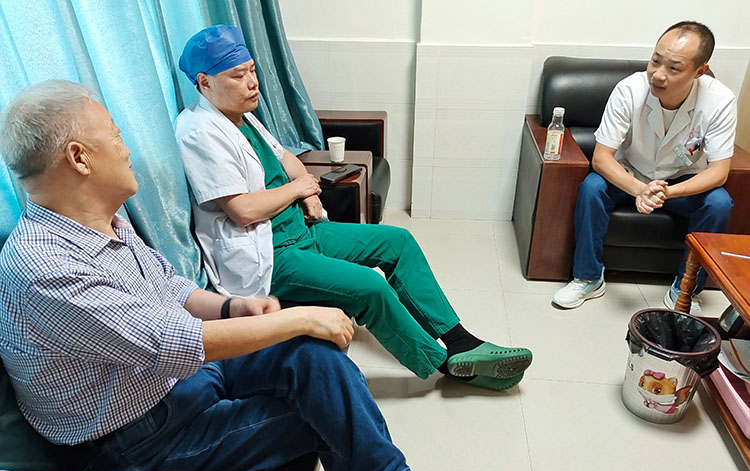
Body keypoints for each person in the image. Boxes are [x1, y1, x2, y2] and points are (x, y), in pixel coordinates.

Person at [0, 80, 487, 471]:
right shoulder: (46, 266)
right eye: (115, 134)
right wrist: (297, 317)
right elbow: (171, 342)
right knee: (330, 406)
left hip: (177, 385)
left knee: (318, 361)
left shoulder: (101, 220)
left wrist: (235, 307)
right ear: (80, 158)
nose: (126, 146)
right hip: (135, 442)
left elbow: (171, 288)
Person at [174, 25, 532, 391]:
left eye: (252, 70)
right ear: (204, 82)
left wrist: (309, 194)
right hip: (270, 255)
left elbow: (287, 160)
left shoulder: (242, 115)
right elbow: (243, 210)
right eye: (239, 75)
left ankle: (460, 341)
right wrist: (298, 188)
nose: (253, 83)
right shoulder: (199, 132)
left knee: (399, 242)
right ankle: (445, 364)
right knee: (369, 286)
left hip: (303, 229)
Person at [552, 21, 736, 313]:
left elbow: (718, 171)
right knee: (592, 186)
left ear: (700, 71)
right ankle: (587, 277)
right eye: (655, 61)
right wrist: (640, 189)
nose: (658, 74)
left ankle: (685, 289)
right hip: (630, 175)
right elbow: (601, 158)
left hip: (681, 182)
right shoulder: (630, 89)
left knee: (719, 203)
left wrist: (667, 192)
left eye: (674, 68)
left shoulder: (720, 100)